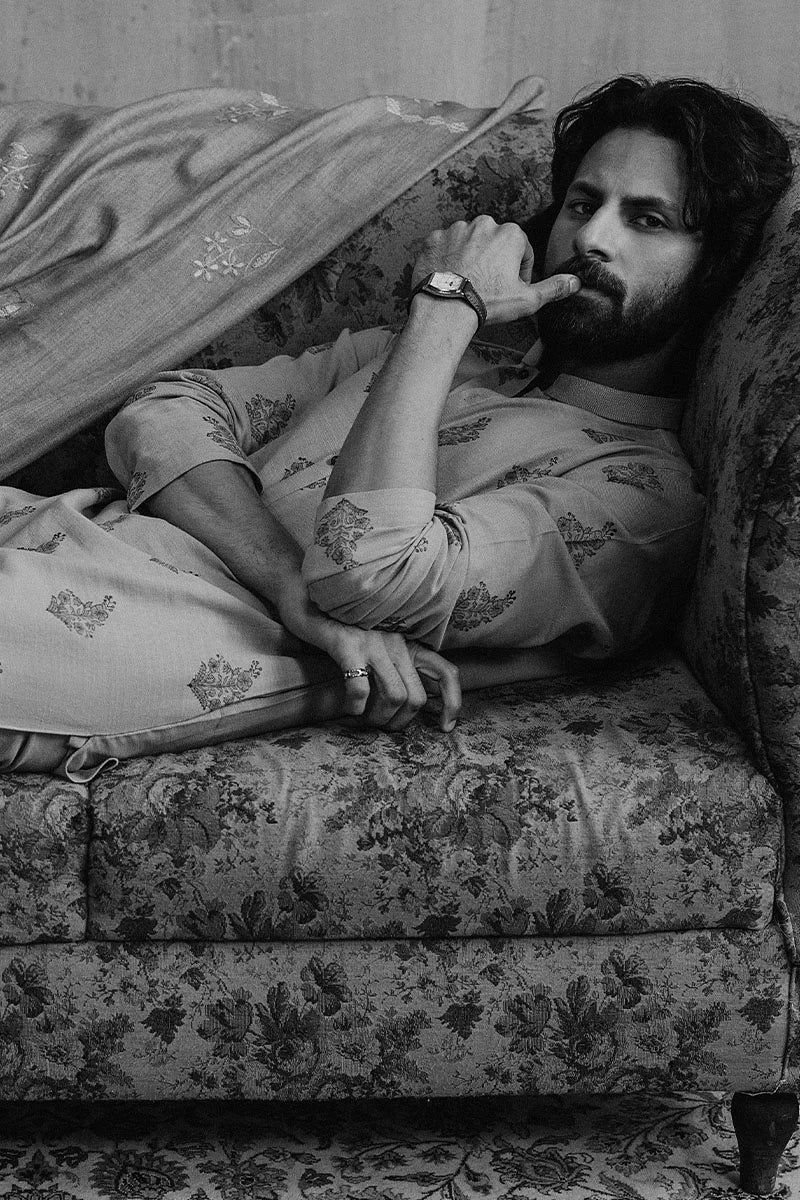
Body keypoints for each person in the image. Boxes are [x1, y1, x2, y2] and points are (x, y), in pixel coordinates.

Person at [0, 75, 792, 775]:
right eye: (584, 204)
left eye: (648, 220)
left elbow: (367, 570)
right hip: (52, 532)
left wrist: (445, 307)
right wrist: (287, 585)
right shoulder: (435, 356)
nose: (590, 239)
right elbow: (160, 411)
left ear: (712, 268)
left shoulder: (640, 498)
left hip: (96, 637)